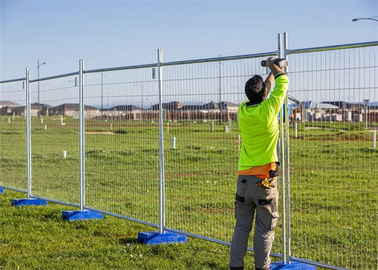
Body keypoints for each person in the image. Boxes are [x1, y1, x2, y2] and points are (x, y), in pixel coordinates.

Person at [229, 57, 289, 270]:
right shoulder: (270, 110)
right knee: (264, 230)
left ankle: (235, 266)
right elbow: (284, 82)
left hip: (244, 181)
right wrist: (275, 66)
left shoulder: (243, 111)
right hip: (265, 181)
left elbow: (268, 88)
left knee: (242, 227)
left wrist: (270, 72)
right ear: (264, 95)